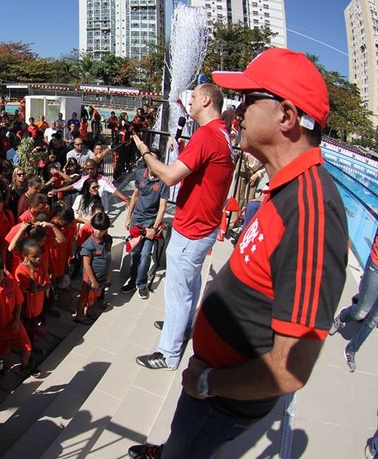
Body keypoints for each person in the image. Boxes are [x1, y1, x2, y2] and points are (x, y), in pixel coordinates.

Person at [128, 48, 348, 458]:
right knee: (183, 440)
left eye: (248, 100)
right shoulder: (285, 190)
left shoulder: (310, 210)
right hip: (210, 384)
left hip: (220, 397)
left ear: (285, 115)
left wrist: (209, 382)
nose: (237, 111)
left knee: (190, 447)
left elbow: (290, 368)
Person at [132, 82, 235, 371]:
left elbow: (168, 177)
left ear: (205, 100)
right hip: (205, 228)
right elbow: (227, 118)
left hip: (192, 229)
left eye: (192, 98)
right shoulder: (222, 133)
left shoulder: (206, 136)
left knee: (178, 292)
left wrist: (144, 153)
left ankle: (169, 353)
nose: (188, 103)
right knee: (190, 284)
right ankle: (183, 326)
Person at [0, 254, 38, 377]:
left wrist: (17, 321)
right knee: (2, 352)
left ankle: (25, 366)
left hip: (13, 324)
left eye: (0, 273)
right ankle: (0, 365)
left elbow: (18, 304)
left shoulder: (12, 284)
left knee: (27, 346)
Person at [328, 228, 378, 373]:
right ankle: (341, 318)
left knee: (374, 319)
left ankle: (351, 349)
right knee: (361, 312)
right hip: (376, 266)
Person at [121, 153, 169, 299]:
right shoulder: (140, 174)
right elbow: (135, 196)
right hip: (137, 220)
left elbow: (162, 207)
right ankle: (133, 280)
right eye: (149, 159)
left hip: (151, 223)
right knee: (134, 253)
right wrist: (128, 217)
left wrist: (154, 229)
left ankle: (141, 284)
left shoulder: (163, 181)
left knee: (146, 254)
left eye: (154, 159)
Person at [78, 212, 112, 324]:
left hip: (102, 276)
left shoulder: (108, 240)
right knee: (84, 297)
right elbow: (86, 264)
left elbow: (108, 258)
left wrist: (109, 275)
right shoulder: (88, 245)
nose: (98, 232)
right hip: (90, 278)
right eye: (96, 229)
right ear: (92, 227)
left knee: (94, 296)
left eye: (102, 230)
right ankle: (79, 315)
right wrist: (93, 280)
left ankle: (88, 311)